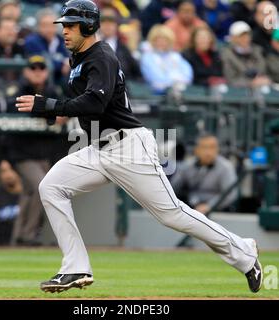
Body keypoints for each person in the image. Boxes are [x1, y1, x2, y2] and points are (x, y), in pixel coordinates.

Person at [16, 0, 262, 294]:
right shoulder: (79, 58)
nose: (65, 31)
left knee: (172, 214)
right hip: (97, 147)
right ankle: (76, 267)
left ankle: (244, 252)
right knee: (51, 187)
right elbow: (88, 106)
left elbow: (95, 103)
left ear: (89, 25)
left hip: (127, 146)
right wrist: (58, 110)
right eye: (64, 25)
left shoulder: (101, 56)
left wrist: (49, 105)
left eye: (71, 25)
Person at [3, 55, 59, 246]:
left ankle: (18, 237)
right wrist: (47, 113)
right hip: (22, 152)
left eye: (41, 68)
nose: (37, 72)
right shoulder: (18, 89)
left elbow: (62, 109)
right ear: (26, 71)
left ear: (46, 71)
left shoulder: (52, 90)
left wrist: (52, 113)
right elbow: (14, 109)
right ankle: (28, 235)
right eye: (33, 68)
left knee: (29, 193)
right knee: (41, 187)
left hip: (43, 152)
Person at [171, 133, 238, 215]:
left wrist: (209, 206)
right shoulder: (188, 166)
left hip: (217, 212)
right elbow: (173, 188)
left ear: (217, 149)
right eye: (204, 147)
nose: (208, 152)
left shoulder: (226, 167)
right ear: (196, 150)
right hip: (190, 210)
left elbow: (230, 194)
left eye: (212, 147)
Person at [140, 24, 193, 94]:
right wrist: (175, 82)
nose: (161, 43)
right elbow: (156, 79)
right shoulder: (147, 58)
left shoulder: (176, 56)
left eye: (165, 40)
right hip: (157, 95)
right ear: (152, 41)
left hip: (180, 92)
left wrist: (178, 83)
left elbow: (187, 74)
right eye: (158, 40)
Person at [24, 8, 70, 84]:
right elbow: (43, 61)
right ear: (38, 26)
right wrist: (62, 64)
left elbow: (69, 59)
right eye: (44, 25)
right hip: (39, 83)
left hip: (60, 81)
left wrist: (67, 63)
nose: (48, 29)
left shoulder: (61, 40)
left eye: (52, 25)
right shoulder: (32, 41)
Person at [221, 21, 271, 88]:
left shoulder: (257, 51)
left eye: (247, 35)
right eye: (241, 36)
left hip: (260, 89)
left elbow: (263, 70)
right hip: (238, 93)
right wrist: (251, 82)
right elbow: (230, 80)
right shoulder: (227, 55)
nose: (245, 38)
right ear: (233, 38)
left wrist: (263, 79)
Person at [99, 6, 142, 81]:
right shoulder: (91, 45)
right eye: (103, 21)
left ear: (117, 25)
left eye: (111, 21)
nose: (107, 25)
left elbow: (136, 73)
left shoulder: (124, 46)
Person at [0, 160, 22, 245]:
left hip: (23, 243)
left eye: (10, 169)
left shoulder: (29, 195)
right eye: (3, 171)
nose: (7, 175)